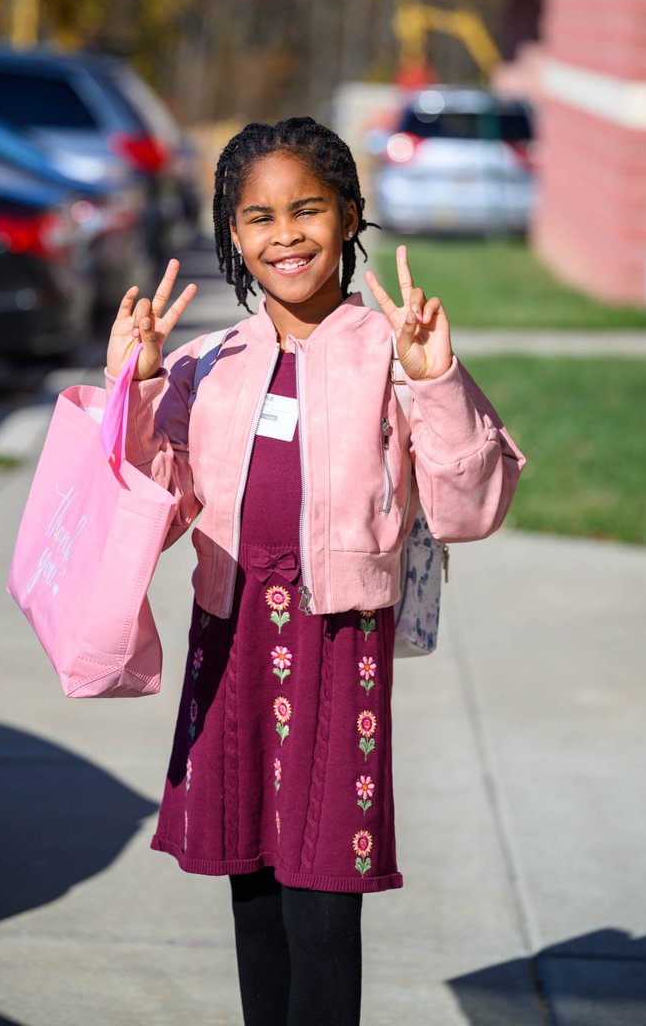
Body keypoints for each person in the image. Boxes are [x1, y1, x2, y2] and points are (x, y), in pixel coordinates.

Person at [105, 117, 525, 1026]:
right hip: (232, 632)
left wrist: (438, 381)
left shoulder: (390, 351)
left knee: (323, 889)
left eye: (308, 210)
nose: (285, 235)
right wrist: (136, 392)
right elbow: (155, 508)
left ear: (347, 216)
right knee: (250, 879)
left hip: (338, 643)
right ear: (232, 234)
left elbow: (472, 505)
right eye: (258, 217)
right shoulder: (209, 362)